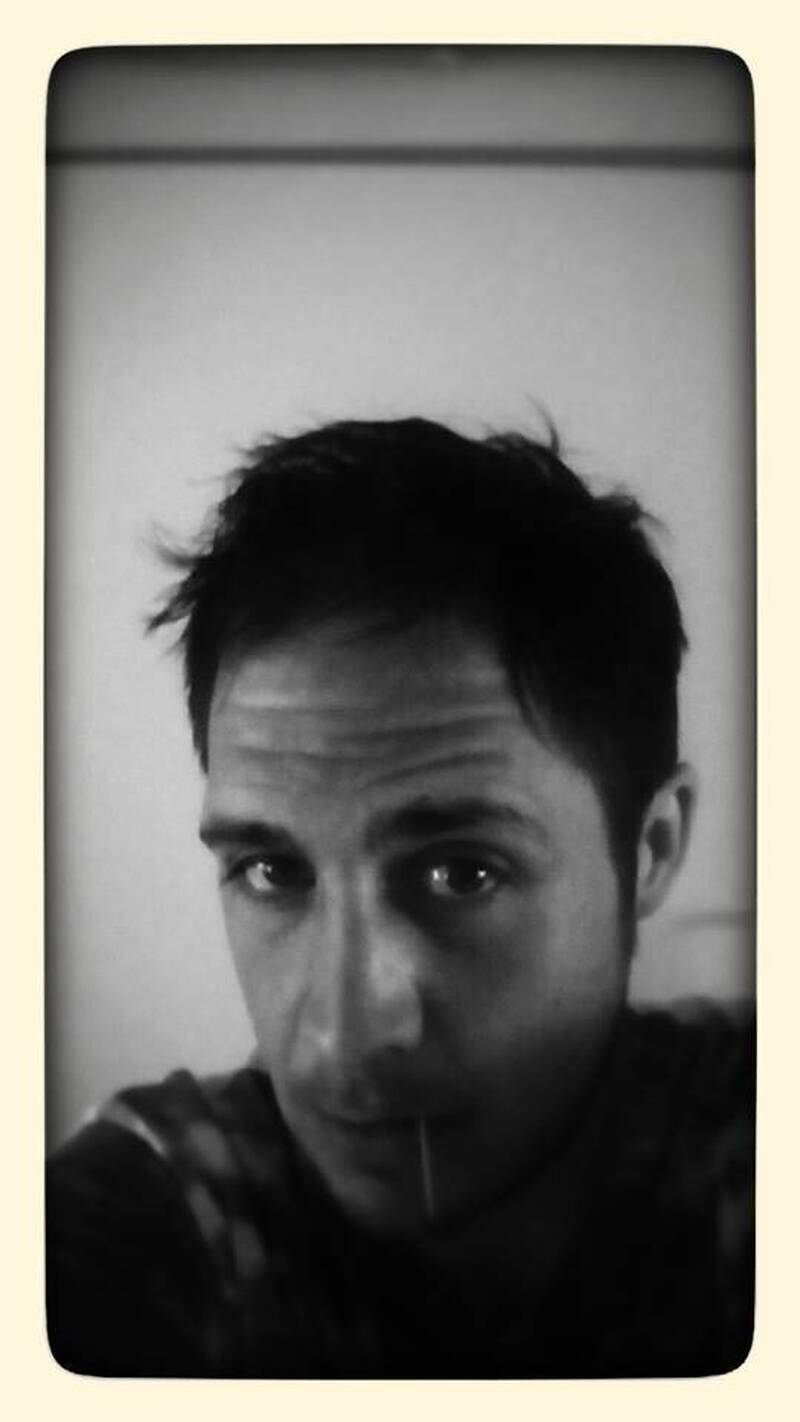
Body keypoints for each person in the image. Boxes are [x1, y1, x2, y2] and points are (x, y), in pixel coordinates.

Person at [47, 417, 754, 1378]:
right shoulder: (182, 1201)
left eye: (461, 874)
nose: (343, 1032)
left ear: (652, 848)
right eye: (274, 871)